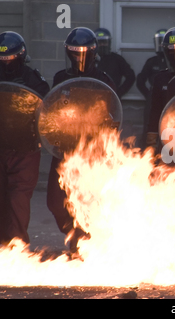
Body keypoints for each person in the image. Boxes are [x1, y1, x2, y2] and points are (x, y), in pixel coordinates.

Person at [47, 27, 116, 257]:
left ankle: (82, 245)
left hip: (91, 152)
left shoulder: (103, 81)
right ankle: (73, 234)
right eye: (75, 52)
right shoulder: (60, 79)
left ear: (95, 53)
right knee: (55, 202)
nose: (80, 57)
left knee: (87, 200)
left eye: (84, 52)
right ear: (68, 53)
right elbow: (52, 110)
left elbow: (112, 116)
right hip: (64, 149)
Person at [0, 31, 50, 245]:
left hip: (26, 149)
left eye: (10, 59)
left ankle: (18, 246)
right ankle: (4, 243)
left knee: (18, 198)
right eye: (1, 60)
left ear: (21, 56)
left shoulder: (33, 80)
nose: (6, 64)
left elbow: (47, 109)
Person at [146, 27, 175, 150]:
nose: (174, 56)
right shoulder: (160, 78)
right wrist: (151, 139)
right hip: (166, 134)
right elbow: (155, 111)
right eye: (170, 52)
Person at [136, 29, 168, 148]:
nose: (160, 45)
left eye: (162, 42)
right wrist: (149, 94)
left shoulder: (174, 61)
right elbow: (140, 81)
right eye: (158, 42)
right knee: (150, 127)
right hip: (153, 98)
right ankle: (147, 153)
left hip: (169, 96)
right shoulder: (152, 62)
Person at [94, 27, 135, 99]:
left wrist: (119, 92)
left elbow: (131, 76)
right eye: (100, 42)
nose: (103, 45)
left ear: (109, 42)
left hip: (112, 98)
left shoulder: (117, 59)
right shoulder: (90, 60)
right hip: (93, 97)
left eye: (105, 42)